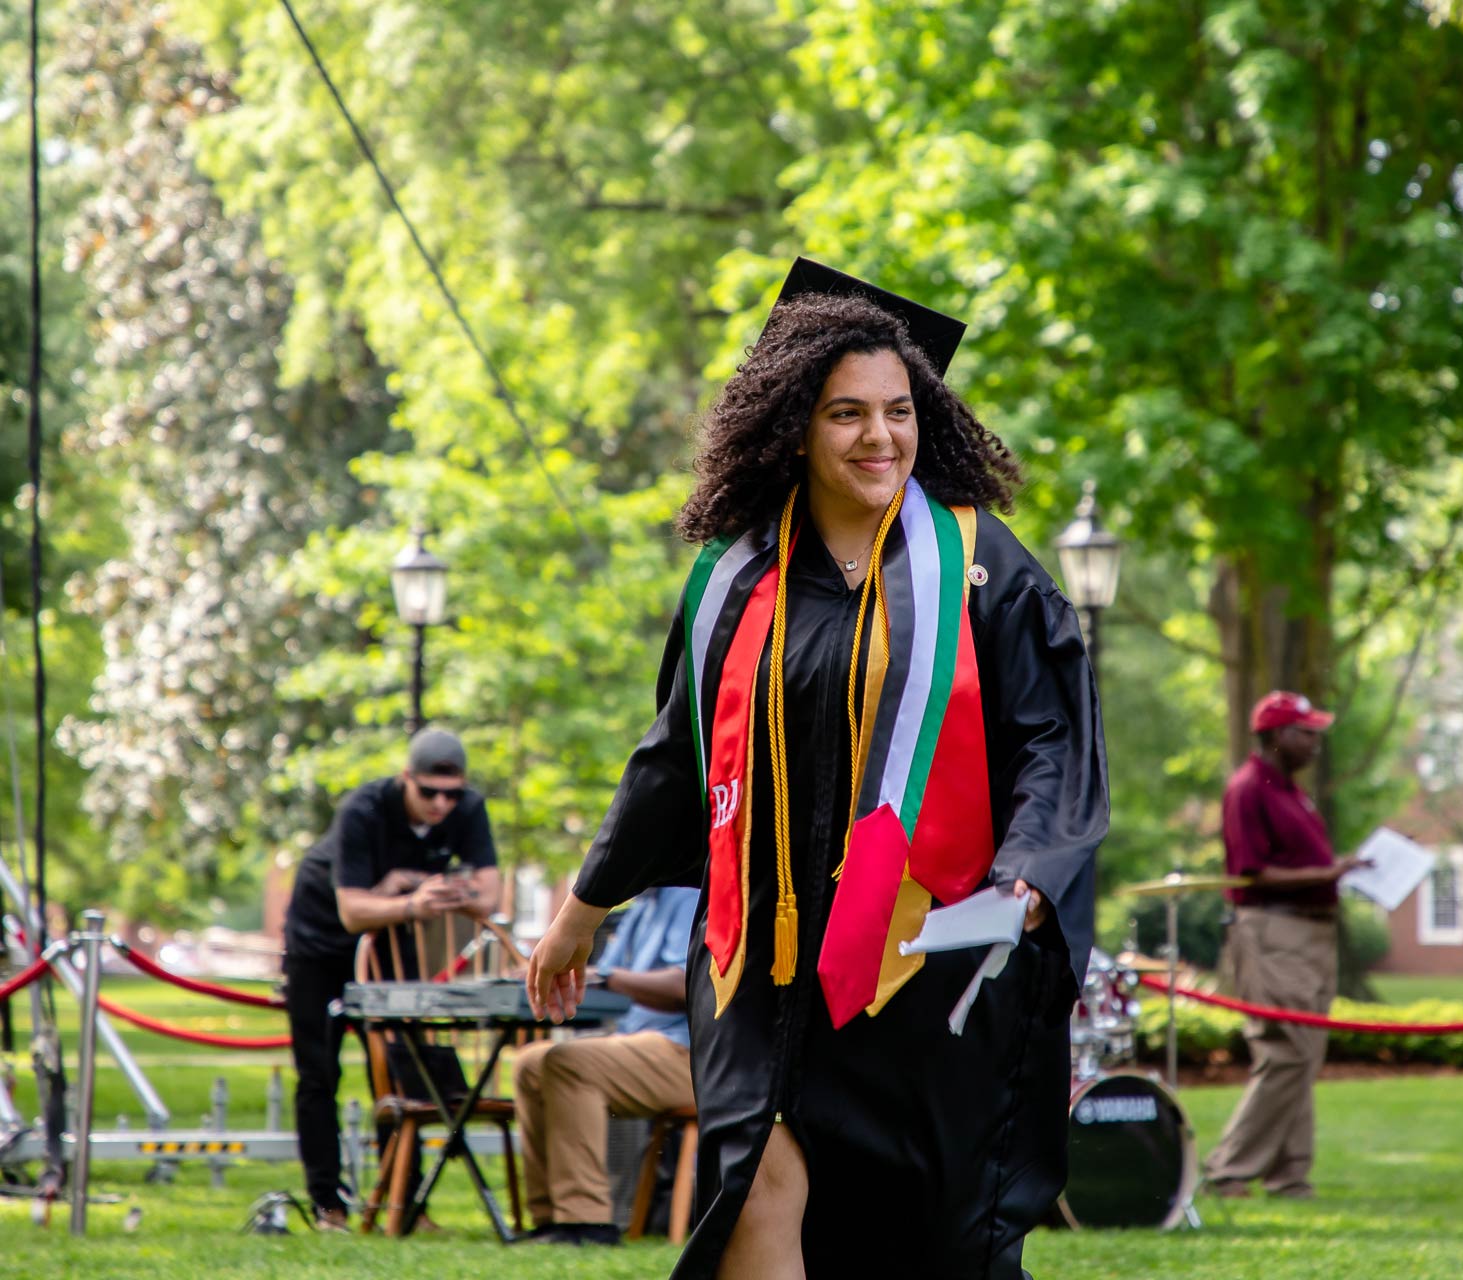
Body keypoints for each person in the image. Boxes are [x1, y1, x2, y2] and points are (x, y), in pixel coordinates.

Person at [525, 261, 1107, 1280]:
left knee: (924, 1235)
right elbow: (678, 751)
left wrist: (1025, 877)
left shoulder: (978, 563)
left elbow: (1051, 741)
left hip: (919, 957)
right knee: (756, 1179)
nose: (880, 437)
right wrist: (585, 903)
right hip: (757, 958)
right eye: (847, 413)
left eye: (897, 410)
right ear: (795, 423)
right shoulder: (735, 576)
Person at [280, 727, 500, 1229]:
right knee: (319, 1074)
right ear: (406, 780)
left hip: (395, 932)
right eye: (429, 792)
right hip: (320, 940)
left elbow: (488, 896)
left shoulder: (468, 809)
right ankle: (328, 1205)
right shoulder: (363, 809)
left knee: (402, 1070)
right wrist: (413, 900)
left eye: (452, 793)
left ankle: (402, 1203)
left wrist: (412, 888)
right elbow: (354, 910)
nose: (442, 804)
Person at [1201, 690, 1364, 1200]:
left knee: (1305, 1052)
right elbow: (1252, 873)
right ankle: (1227, 1170)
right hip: (1274, 931)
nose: (1316, 742)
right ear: (1275, 735)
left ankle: (1288, 1174)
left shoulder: (1290, 790)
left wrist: (1337, 871)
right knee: (1285, 1052)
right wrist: (1330, 872)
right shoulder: (1249, 788)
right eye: (1305, 732)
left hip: (1312, 933)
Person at [512, 884, 700, 1246]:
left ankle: (587, 1221)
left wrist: (604, 977)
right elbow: (599, 976)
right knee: (530, 1063)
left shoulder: (687, 895)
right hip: (639, 1042)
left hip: (691, 1056)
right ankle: (549, 1218)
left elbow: (685, 985)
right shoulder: (642, 904)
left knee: (569, 1061)